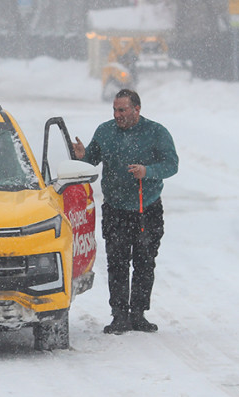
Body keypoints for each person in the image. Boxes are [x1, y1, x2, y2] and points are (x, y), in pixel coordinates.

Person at [73, 89, 177, 335]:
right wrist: (82, 156)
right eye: (115, 109)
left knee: (144, 262)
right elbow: (91, 159)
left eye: (122, 110)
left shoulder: (156, 132)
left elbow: (172, 164)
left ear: (137, 109)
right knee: (117, 263)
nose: (117, 114)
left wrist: (147, 171)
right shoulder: (105, 131)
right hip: (116, 209)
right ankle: (119, 316)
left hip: (146, 208)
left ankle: (138, 314)